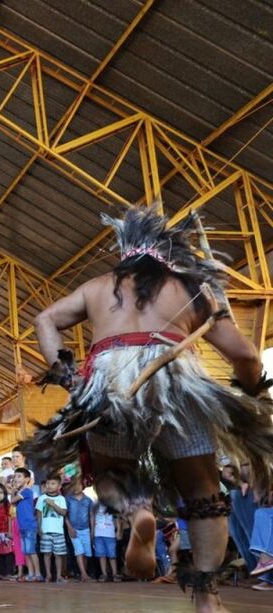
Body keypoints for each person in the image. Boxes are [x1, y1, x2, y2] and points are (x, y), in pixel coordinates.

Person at [22, 207, 273, 610]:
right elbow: (244, 355)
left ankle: (137, 512)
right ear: (170, 254)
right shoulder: (191, 288)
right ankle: (207, 598)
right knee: (204, 492)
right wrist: (252, 393)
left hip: (109, 383)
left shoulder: (98, 286)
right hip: (176, 384)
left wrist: (72, 381)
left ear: (125, 253)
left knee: (110, 475)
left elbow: (44, 320)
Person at [36, 475, 68, 583]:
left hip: (58, 531)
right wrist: (39, 528)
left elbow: (63, 512)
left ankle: (59, 575)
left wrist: (53, 504)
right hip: (45, 531)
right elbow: (39, 514)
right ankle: (48, 575)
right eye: (48, 483)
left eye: (53, 483)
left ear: (59, 486)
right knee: (46, 554)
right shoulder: (41, 498)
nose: (49, 486)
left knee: (58, 554)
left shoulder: (61, 498)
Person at [11, 468, 41, 582]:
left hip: (29, 526)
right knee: (26, 552)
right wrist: (14, 491)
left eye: (19, 476)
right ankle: (31, 573)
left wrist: (13, 490)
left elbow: (12, 501)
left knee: (31, 550)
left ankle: (37, 573)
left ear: (27, 479)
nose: (16, 479)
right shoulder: (21, 493)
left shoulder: (26, 491)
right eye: (15, 476)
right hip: (22, 526)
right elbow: (13, 503)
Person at [65, 477, 94, 582]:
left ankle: (83, 574)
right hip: (74, 529)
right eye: (74, 485)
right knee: (79, 551)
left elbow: (91, 515)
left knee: (86, 552)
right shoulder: (68, 499)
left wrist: (92, 530)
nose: (76, 487)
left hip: (86, 529)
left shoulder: (88, 500)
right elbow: (65, 516)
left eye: (78, 485)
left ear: (83, 486)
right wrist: (70, 528)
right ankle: (84, 574)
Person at [94, 503, 121, 582]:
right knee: (101, 554)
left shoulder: (111, 506)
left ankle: (115, 573)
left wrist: (119, 531)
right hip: (98, 533)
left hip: (109, 534)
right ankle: (104, 574)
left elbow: (117, 519)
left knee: (112, 554)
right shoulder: (95, 506)